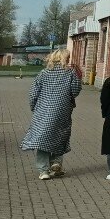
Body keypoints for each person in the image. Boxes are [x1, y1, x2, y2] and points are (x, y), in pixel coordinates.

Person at [21, 49, 81, 180]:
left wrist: (34, 107)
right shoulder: (70, 72)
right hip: (62, 110)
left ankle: (43, 171)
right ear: (64, 59)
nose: (69, 59)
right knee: (60, 135)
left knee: (43, 138)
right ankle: (56, 163)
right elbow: (76, 90)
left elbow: (33, 93)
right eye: (68, 57)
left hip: (43, 111)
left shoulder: (43, 73)